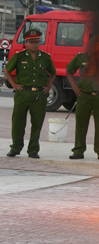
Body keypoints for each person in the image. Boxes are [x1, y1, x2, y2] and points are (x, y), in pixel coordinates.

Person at [4, 29, 56, 159]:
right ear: (26, 42)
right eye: (31, 42)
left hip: (39, 95)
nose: (34, 44)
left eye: (37, 42)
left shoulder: (45, 57)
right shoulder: (19, 56)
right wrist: (14, 84)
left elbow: (53, 72)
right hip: (23, 93)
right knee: (18, 122)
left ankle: (33, 150)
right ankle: (15, 147)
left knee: (37, 123)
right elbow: (7, 70)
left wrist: (49, 86)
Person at [66, 34, 99, 161]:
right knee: (81, 124)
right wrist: (74, 87)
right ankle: (78, 150)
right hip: (84, 96)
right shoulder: (81, 57)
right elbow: (69, 71)